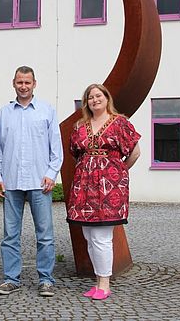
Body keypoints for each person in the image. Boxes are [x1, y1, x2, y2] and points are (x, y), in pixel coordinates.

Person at [0, 65, 63, 297]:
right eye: (19, 82)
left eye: (27, 82)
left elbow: (56, 149)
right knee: (10, 235)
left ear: (34, 84)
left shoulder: (47, 111)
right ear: (14, 83)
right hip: (11, 183)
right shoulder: (4, 113)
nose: (23, 86)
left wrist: (51, 174)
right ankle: (11, 278)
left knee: (45, 234)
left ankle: (46, 279)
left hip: (40, 183)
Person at [67, 83, 141, 300]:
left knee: (101, 236)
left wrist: (118, 171)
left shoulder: (120, 123)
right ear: (86, 102)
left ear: (107, 98)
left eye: (98, 96)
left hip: (109, 189)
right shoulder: (80, 125)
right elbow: (75, 154)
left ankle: (105, 284)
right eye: (90, 97)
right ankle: (98, 281)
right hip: (85, 186)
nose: (95, 100)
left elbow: (135, 152)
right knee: (89, 235)